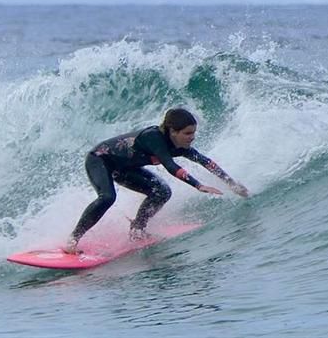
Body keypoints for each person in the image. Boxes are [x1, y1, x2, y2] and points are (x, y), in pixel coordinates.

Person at [65, 108, 248, 254]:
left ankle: (137, 230)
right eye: (187, 133)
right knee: (107, 197)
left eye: (193, 132)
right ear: (172, 131)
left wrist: (231, 184)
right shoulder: (153, 137)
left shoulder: (179, 145)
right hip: (99, 160)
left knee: (161, 192)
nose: (192, 137)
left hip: (124, 168)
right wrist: (198, 185)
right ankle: (73, 240)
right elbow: (170, 166)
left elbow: (205, 161)